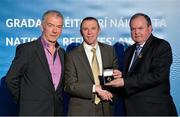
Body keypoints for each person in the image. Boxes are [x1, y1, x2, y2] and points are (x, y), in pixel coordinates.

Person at [105, 13, 177, 116]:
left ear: (150, 28)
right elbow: (131, 78)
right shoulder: (129, 51)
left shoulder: (161, 46)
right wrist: (120, 76)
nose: (136, 32)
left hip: (155, 111)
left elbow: (157, 76)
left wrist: (124, 81)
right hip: (132, 111)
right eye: (133, 29)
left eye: (140, 28)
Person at [5, 10, 65, 116]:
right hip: (32, 112)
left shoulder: (62, 53)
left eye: (59, 26)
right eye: (50, 25)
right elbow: (11, 79)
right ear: (42, 26)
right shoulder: (27, 49)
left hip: (56, 112)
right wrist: (25, 100)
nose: (55, 30)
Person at [64, 17, 122, 116]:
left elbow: (113, 81)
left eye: (93, 28)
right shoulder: (71, 55)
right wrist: (95, 88)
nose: (89, 32)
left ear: (99, 30)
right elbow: (69, 86)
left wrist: (117, 80)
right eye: (85, 29)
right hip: (81, 111)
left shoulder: (109, 51)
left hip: (106, 108)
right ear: (81, 32)